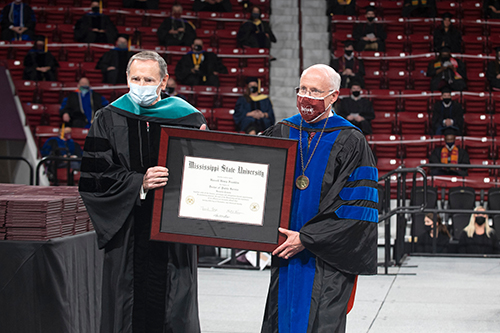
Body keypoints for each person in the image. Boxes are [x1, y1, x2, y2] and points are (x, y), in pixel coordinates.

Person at [79, 51, 207, 332]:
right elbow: (95, 177)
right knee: (127, 307)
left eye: (149, 79)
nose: (141, 84)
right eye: (136, 78)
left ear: (164, 81)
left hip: (174, 230)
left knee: (173, 306)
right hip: (129, 230)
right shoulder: (108, 117)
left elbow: (204, 175)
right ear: (127, 78)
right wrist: (138, 183)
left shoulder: (187, 117)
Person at [260, 64, 378, 332]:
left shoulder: (351, 140)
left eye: (315, 91)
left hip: (326, 259)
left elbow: (357, 208)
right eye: (302, 89)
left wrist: (306, 238)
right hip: (286, 252)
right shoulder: (282, 130)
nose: (306, 97)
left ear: (334, 96)